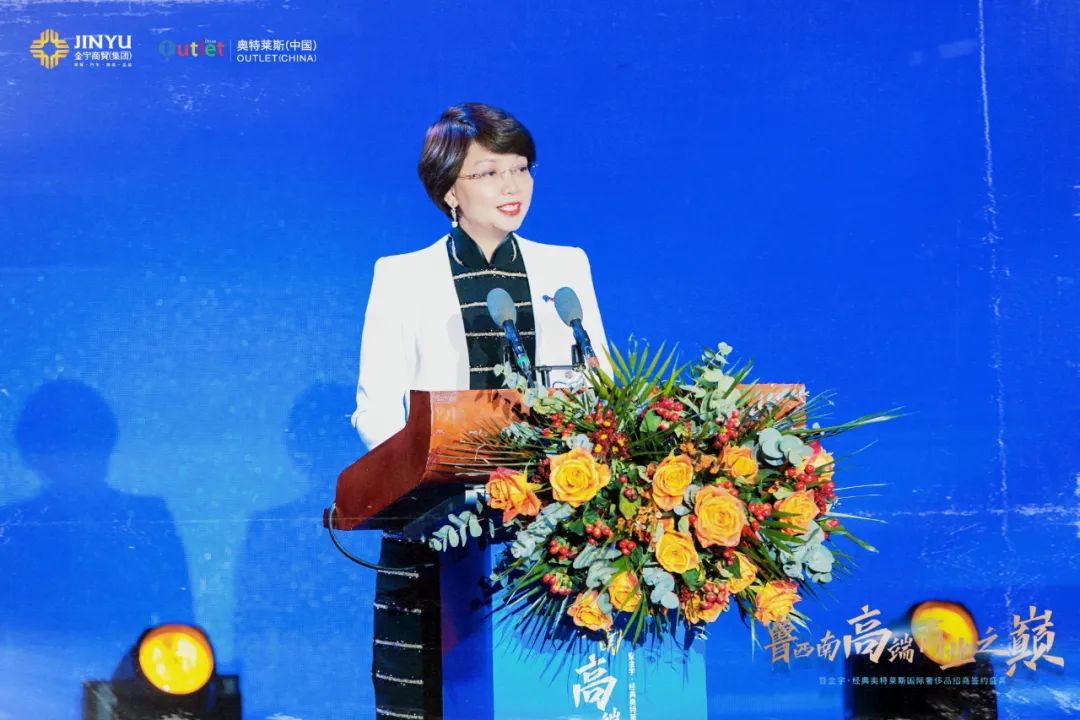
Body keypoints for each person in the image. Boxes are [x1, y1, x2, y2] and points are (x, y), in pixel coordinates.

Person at [350, 102, 611, 720]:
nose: (512, 186)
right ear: (449, 189)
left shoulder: (566, 266)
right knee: (433, 696)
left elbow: (600, 387)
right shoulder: (403, 276)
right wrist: (425, 484)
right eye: (489, 172)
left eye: (520, 168)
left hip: (550, 526)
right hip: (438, 526)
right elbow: (376, 408)